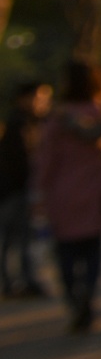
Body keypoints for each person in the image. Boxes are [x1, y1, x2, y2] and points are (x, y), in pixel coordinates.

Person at [38, 62, 101, 332]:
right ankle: (89, 295)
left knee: (66, 252)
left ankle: (74, 295)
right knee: (93, 249)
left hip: (62, 194)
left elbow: (46, 160)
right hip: (95, 191)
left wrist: (39, 192)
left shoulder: (58, 119)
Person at [0, 80, 52, 298]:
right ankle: (21, 281)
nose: (43, 103)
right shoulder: (18, 125)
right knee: (18, 240)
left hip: (15, 191)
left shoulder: (27, 123)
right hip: (14, 192)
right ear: (24, 98)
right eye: (39, 98)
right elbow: (21, 163)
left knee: (15, 241)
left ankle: (14, 282)